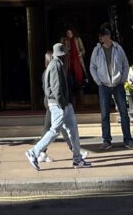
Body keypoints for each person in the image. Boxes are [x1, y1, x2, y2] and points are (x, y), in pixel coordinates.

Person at [26, 42, 91, 171]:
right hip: (59, 104)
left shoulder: (57, 64)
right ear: (62, 55)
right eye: (65, 54)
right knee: (55, 130)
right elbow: (56, 89)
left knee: (73, 130)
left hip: (64, 104)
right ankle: (33, 152)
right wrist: (63, 105)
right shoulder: (56, 65)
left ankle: (77, 159)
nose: (66, 56)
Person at [88, 26, 133, 150]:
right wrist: (98, 81)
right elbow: (92, 66)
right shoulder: (97, 50)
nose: (105, 38)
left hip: (118, 84)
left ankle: (128, 139)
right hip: (103, 85)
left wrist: (123, 79)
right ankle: (106, 140)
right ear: (100, 38)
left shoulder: (118, 48)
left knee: (124, 112)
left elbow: (125, 64)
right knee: (105, 114)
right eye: (103, 36)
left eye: (107, 35)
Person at [61, 26, 87, 110]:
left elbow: (83, 50)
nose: (69, 35)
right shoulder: (64, 40)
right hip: (68, 65)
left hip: (78, 64)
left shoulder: (77, 39)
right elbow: (61, 50)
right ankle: (71, 104)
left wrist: (80, 54)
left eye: (70, 33)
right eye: (68, 33)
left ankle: (81, 104)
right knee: (70, 84)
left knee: (79, 84)